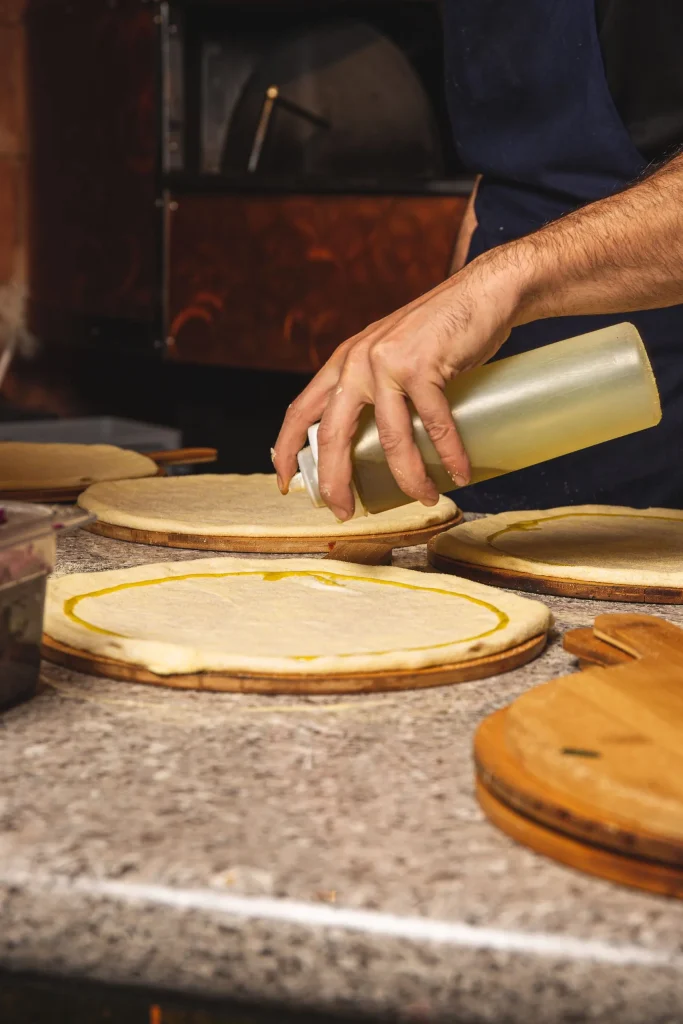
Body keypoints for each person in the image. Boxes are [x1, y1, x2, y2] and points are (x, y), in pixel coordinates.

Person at [273, 1, 683, 521]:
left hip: (649, 411)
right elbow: (507, 173)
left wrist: (496, 282)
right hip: (494, 428)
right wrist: (428, 328)